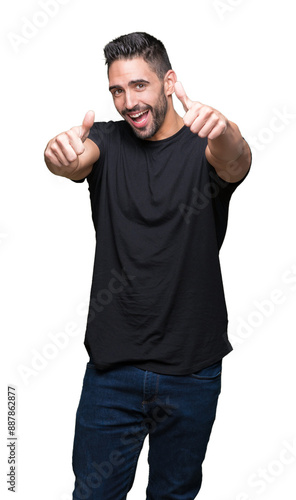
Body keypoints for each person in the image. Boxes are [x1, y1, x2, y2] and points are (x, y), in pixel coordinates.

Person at [44, 32, 251, 500]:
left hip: (192, 370)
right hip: (112, 371)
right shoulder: (107, 141)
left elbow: (235, 161)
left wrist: (225, 130)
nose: (128, 102)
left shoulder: (206, 145)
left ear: (169, 82)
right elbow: (78, 160)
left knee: (174, 495)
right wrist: (60, 155)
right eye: (117, 91)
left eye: (139, 86)